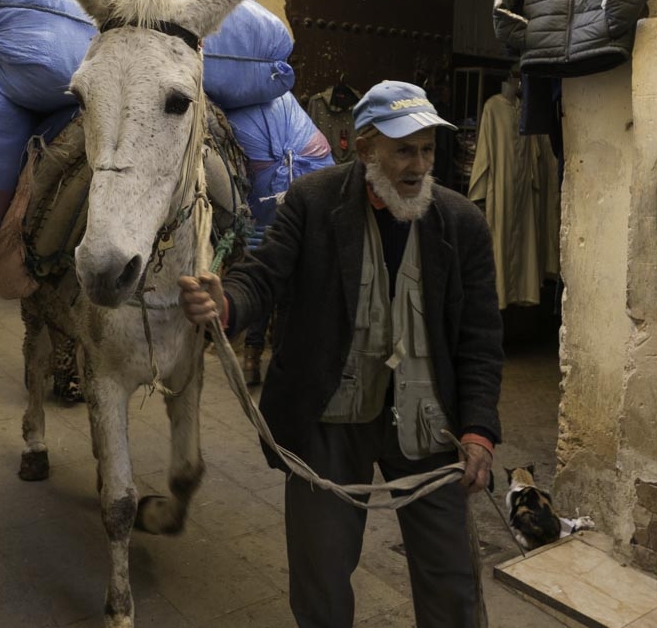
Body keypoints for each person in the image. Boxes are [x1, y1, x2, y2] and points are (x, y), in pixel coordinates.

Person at [179, 80, 503, 628]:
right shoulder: (313, 201)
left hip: (427, 420)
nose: (419, 165)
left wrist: (478, 431)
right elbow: (265, 277)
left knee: (451, 582)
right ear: (364, 145)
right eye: (404, 149)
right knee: (321, 578)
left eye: (426, 149)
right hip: (330, 414)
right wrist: (226, 302)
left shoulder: (461, 222)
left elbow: (480, 338)